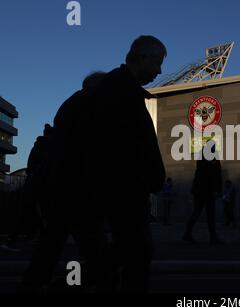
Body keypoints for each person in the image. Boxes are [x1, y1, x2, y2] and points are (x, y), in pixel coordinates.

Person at [84, 35, 166, 292]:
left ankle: (74, 282)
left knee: (131, 251)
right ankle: (68, 284)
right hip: (124, 188)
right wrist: (146, 176)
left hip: (124, 187)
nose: (160, 71)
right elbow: (123, 143)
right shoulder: (120, 91)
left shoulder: (121, 88)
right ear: (142, 58)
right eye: (158, 62)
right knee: (137, 251)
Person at [20, 72, 108, 293]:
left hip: (60, 191)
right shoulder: (90, 108)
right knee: (96, 253)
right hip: (78, 192)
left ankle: (37, 285)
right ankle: (67, 285)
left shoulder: (69, 106)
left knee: (48, 250)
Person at [183, 142, 224, 245]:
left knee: (202, 213)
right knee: (205, 213)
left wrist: (217, 189)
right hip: (205, 190)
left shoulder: (206, 157)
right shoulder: (207, 158)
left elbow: (216, 173)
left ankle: (189, 234)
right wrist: (217, 190)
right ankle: (211, 237)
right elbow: (214, 174)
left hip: (203, 190)